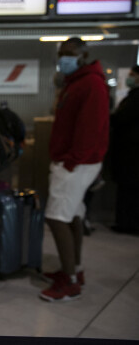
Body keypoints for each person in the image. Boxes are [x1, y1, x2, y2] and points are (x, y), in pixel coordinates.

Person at [40, 37, 109, 302]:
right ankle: (74, 270)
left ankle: (69, 283)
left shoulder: (90, 84)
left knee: (57, 218)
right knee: (73, 216)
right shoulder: (77, 83)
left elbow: (91, 130)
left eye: (68, 53)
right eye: (61, 53)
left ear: (83, 55)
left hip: (75, 164)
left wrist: (70, 162)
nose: (63, 58)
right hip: (76, 162)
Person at [109, 65, 139, 235]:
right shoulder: (132, 96)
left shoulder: (136, 98)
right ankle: (126, 222)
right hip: (128, 151)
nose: (130, 78)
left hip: (132, 153)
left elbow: (121, 118)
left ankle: (129, 224)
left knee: (130, 190)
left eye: (133, 75)